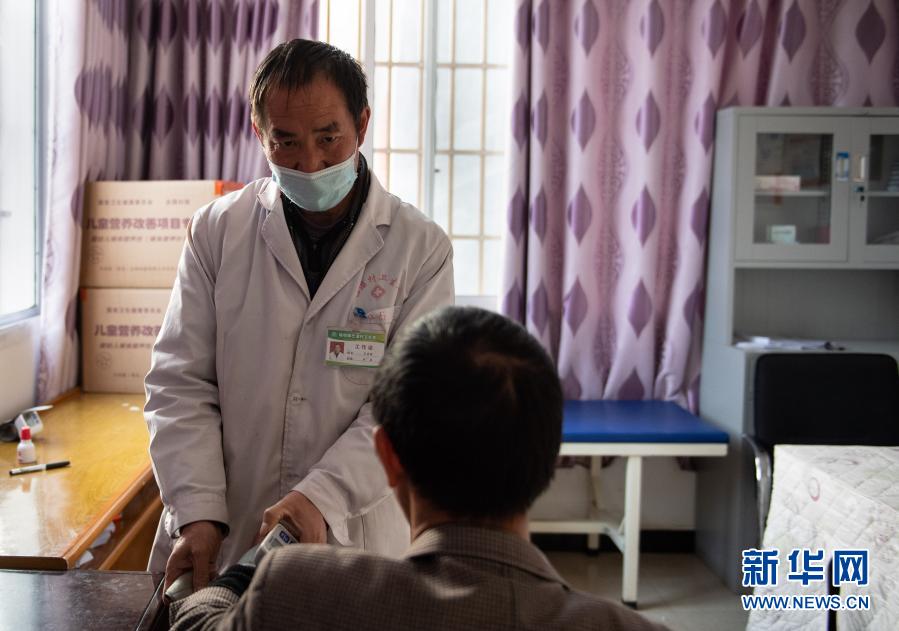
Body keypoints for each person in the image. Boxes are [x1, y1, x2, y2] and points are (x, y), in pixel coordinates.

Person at [145, 38, 454, 593]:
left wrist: (322, 497)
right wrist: (198, 510)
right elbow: (180, 382)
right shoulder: (217, 233)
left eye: (328, 137)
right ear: (258, 132)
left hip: (354, 537)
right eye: (285, 141)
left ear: (362, 124)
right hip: (227, 527)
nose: (309, 162)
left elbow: (410, 408)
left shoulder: (419, 248)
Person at [168, 306, 669, 631]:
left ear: (388, 457)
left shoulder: (299, 591)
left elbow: (194, 622)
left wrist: (249, 567)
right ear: (549, 456)